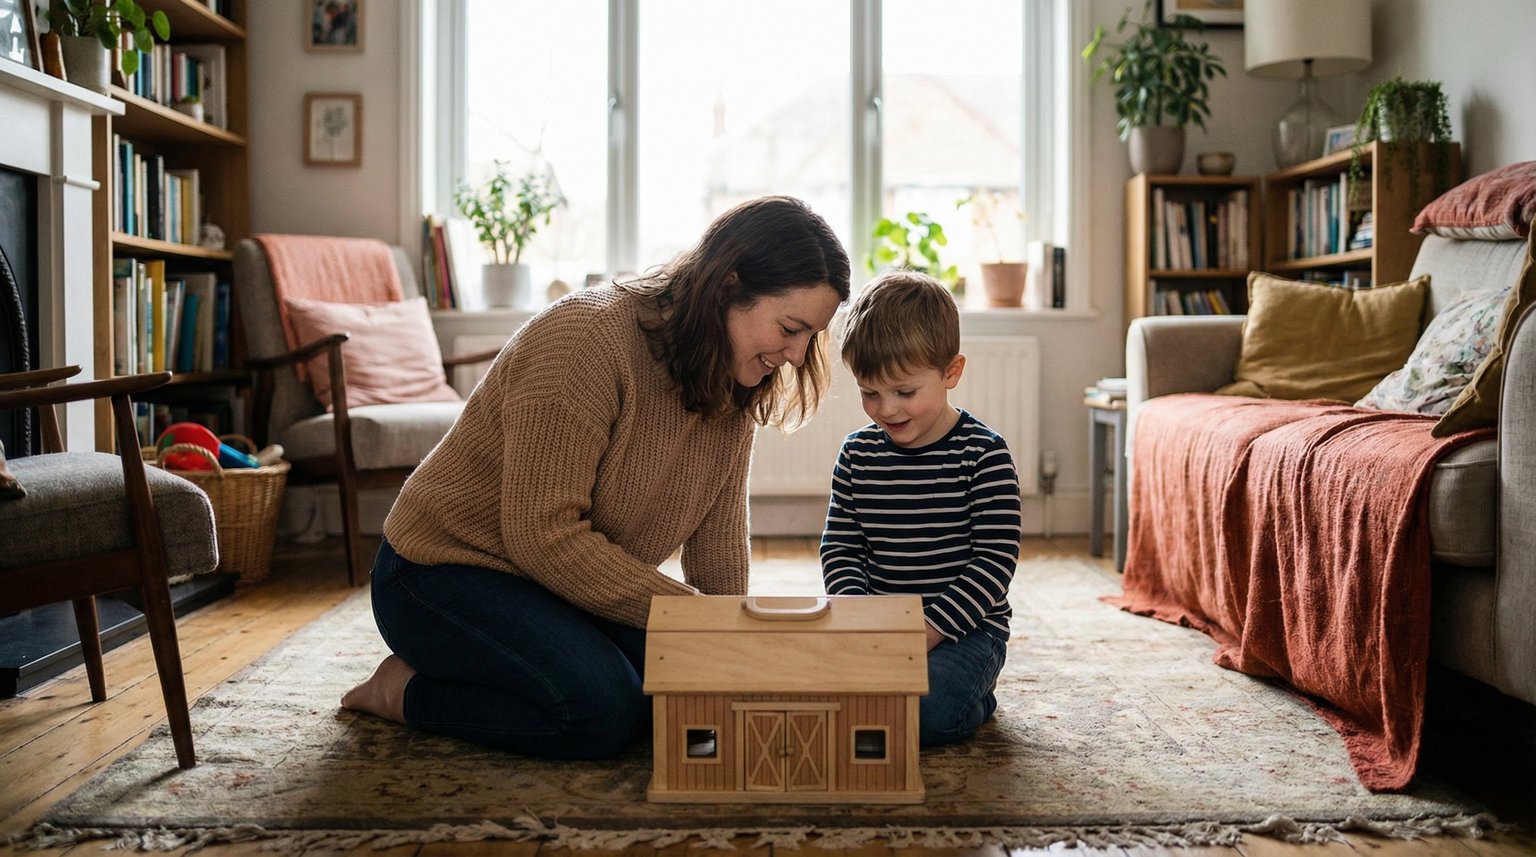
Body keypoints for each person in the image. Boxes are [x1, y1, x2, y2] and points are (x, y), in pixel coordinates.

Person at [342, 196, 850, 759]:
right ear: (728, 286)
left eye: (812, 337)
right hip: (441, 572)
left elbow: (718, 538)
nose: (800, 356)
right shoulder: (585, 338)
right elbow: (541, 534)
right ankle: (403, 692)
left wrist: (727, 643)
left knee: (674, 693)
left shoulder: (734, 376)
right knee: (602, 713)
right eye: (791, 328)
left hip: (560, 585)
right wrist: (695, 620)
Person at [819, 270, 1022, 747]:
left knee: (926, 714)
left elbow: (994, 563)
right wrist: (861, 616)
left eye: (904, 392)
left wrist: (928, 629)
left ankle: (978, 697)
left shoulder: (984, 453)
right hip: (879, 628)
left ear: (951, 371)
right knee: (817, 688)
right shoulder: (856, 454)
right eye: (870, 393)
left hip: (965, 631)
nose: (886, 409)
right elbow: (841, 549)